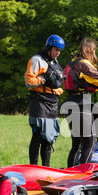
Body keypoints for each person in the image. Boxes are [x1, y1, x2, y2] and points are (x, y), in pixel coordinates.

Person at [62, 37, 98, 167]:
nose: (95, 54)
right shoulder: (84, 64)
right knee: (88, 143)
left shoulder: (72, 62)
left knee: (77, 144)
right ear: (90, 51)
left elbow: (91, 80)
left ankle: (71, 172)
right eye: (94, 51)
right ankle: (83, 174)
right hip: (82, 105)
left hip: (70, 104)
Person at [24, 35, 65, 167]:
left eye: (60, 50)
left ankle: (46, 167)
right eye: (56, 49)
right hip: (39, 101)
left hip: (52, 102)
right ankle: (33, 166)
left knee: (49, 138)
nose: (58, 52)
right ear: (49, 47)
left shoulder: (55, 62)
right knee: (38, 135)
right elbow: (29, 81)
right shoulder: (37, 60)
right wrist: (43, 79)